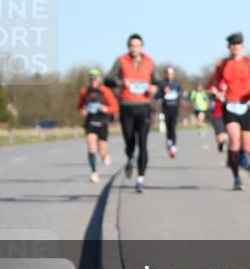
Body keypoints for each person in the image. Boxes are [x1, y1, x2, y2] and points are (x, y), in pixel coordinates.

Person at [209, 33, 250, 189]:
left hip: (247, 106)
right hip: (230, 106)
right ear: (229, 47)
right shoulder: (222, 64)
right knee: (234, 140)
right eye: (232, 45)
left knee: (247, 147)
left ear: (243, 46)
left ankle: (241, 154)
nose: (235, 47)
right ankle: (236, 178)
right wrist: (216, 91)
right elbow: (214, 83)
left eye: (238, 44)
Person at [106, 33, 159, 193]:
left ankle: (140, 178)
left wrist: (154, 88)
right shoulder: (121, 60)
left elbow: (158, 82)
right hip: (127, 105)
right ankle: (130, 157)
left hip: (143, 106)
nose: (134, 48)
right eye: (131, 46)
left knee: (143, 142)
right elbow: (107, 80)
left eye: (137, 45)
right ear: (128, 47)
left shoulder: (149, 61)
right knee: (130, 141)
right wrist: (120, 82)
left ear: (142, 47)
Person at [77, 69, 119, 183]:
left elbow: (115, 107)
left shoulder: (105, 91)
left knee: (102, 151)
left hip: (103, 122)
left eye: (95, 78)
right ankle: (94, 173)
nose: (93, 80)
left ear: (99, 79)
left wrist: (106, 109)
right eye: (91, 78)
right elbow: (80, 107)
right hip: (90, 122)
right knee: (91, 147)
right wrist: (83, 111)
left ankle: (106, 154)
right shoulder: (84, 92)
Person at [155, 66, 182, 157]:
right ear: (165, 74)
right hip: (166, 108)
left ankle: (173, 145)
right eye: (168, 73)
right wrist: (163, 92)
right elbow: (157, 96)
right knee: (168, 127)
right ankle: (169, 142)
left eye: (171, 74)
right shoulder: (162, 83)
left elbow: (180, 95)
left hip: (175, 108)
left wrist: (179, 102)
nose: (170, 75)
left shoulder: (177, 83)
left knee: (173, 127)